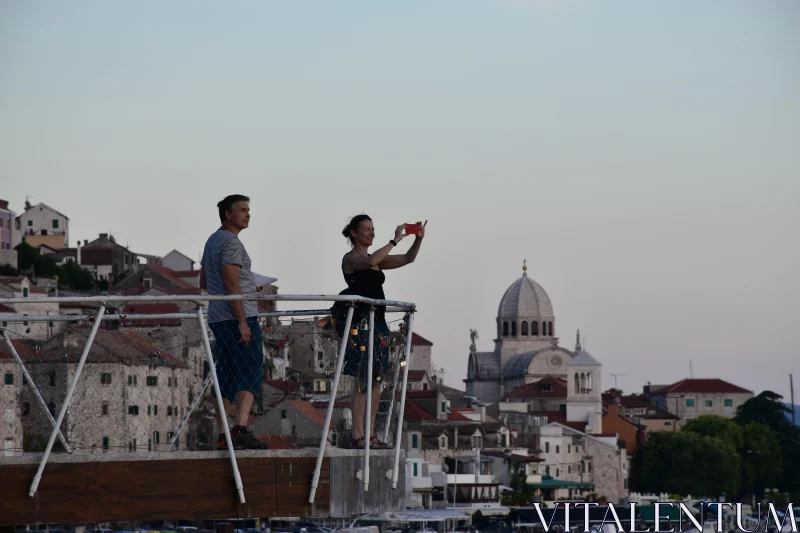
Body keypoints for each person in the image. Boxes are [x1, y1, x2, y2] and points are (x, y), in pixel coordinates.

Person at [339, 214, 427, 449]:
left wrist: (417, 239)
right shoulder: (351, 259)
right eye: (366, 229)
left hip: (378, 322)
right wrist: (395, 239)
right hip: (361, 324)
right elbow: (368, 263)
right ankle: (358, 434)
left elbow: (408, 258)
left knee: (376, 380)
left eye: (373, 228)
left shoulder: (376, 259)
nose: (371, 232)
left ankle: (370, 434)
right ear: (354, 233)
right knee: (362, 379)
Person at [199, 194, 268, 450]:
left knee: (225, 373)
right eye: (242, 210)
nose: (247, 214)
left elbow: (205, 283)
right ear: (228, 214)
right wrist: (242, 321)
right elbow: (230, 282)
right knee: (252, 369)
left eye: (248, 210)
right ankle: (239, 429)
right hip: (237, 316)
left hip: (217, 316)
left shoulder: (211, 241)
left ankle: (223, 434)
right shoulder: (231, 242)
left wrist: (249, 284)